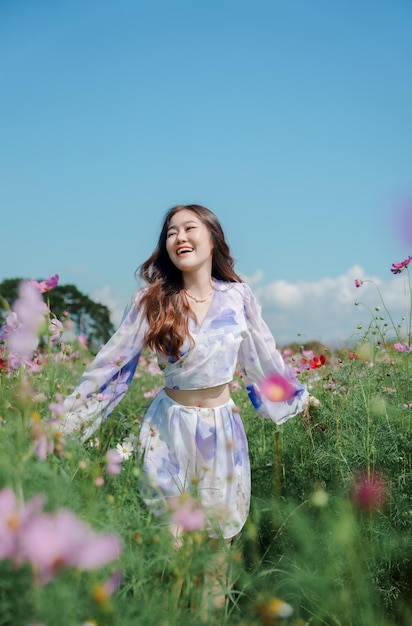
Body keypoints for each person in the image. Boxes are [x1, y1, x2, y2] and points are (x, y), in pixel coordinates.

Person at [59, 204, 312, 607]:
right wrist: (67, 421)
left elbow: (263, 360)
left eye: (190, 228)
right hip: (168, 431)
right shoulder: (152, 299)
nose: (179, 237)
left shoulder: (237, 296)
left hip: (222, 434)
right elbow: (111, 362)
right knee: (170, 555)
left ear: (212, 239)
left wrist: (302, 400)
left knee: (216, 552)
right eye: (171, 232)